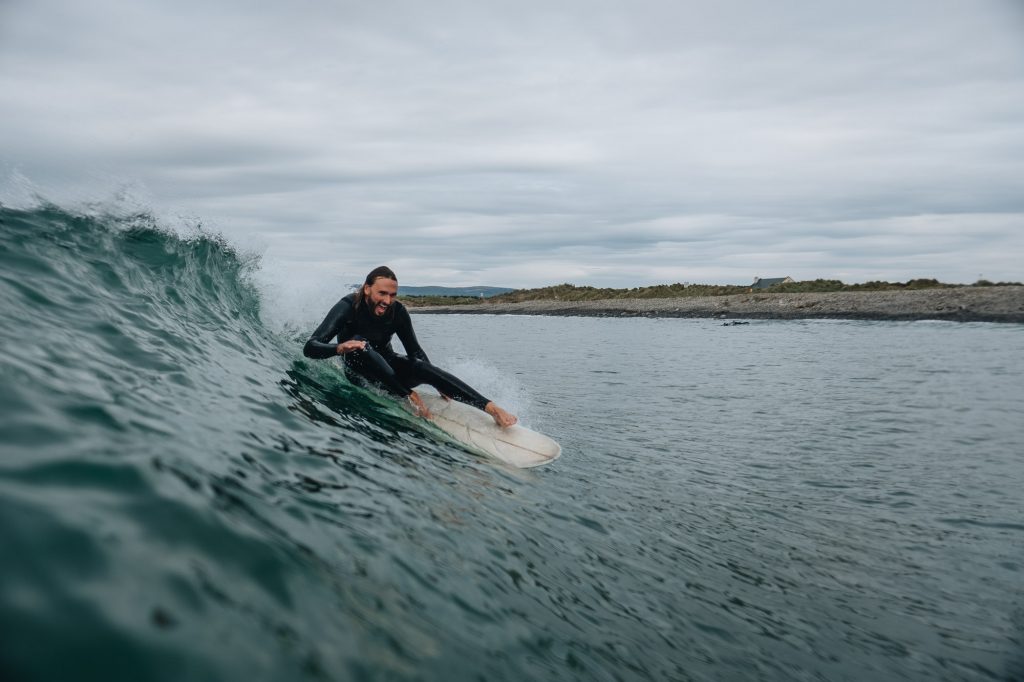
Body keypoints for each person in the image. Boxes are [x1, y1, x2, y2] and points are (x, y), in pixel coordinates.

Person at [303, 266, 518, 428]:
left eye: (393, 295)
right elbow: (311, 347)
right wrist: (340, 348)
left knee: (419, 365)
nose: (388, 301)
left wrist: (436, 380)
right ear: (367, 289)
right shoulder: (347, 307)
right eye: (382, 293)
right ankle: (408, 395)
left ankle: (491, 407)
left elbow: (414, 350)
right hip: (360, 370)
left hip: (388, 369)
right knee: (361, 344)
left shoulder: (398, 312)